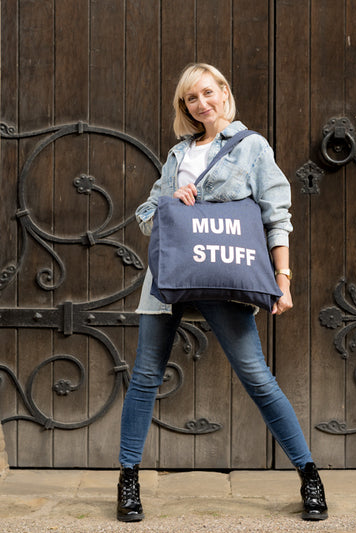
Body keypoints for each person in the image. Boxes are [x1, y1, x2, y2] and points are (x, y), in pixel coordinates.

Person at [116, 63, 328, 523]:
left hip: (225, 274)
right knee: (146, 376)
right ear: (184, 107)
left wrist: (283, 279)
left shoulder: (252, 147)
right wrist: (173, 199)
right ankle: (128, 478)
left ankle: (309, 474)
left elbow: (277, 214)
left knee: (256, 377)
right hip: (169, 278)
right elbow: (146, 216)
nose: (200, 103)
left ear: (223, 93)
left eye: (207, 93)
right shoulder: (177, 155)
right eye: (190, 98)